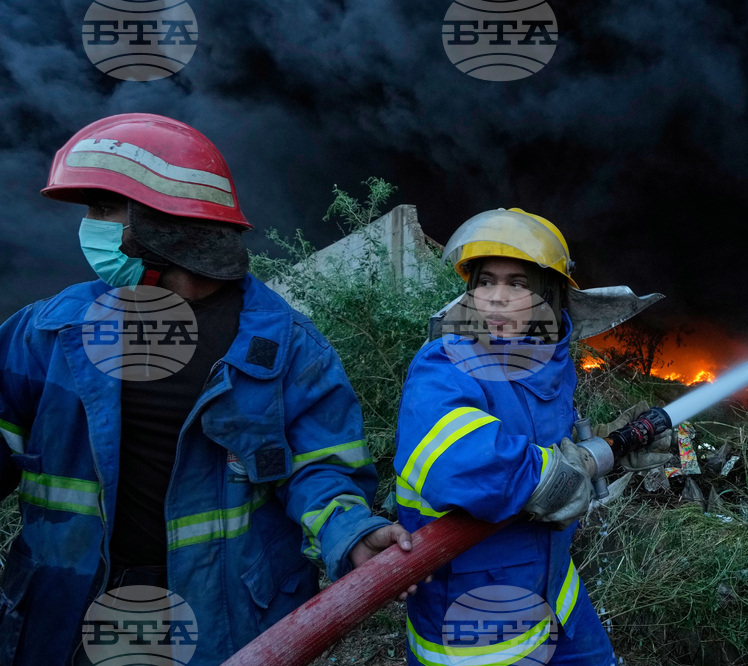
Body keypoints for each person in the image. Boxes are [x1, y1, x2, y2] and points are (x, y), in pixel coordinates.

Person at [0, 113, 416, 665]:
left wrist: (351, 532)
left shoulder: (286, 346)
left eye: (103, 209)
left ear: (164, 220)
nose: (90, 228)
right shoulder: (50, 331)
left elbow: (321, 468)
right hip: (66, 615)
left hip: (220, 621)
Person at [394, 208, 619, 666]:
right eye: (484, 281)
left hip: (555, 588)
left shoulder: (552, 362)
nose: (495, 298)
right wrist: (553, 476)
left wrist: (615, 450)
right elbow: (455, 460)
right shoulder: (446, 362)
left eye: (517, 284)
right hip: (476, 617)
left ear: (550, 295)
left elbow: (560, 450)